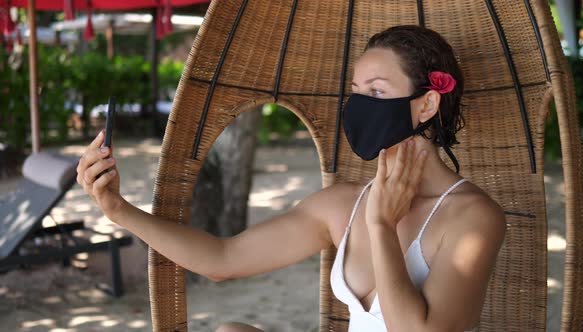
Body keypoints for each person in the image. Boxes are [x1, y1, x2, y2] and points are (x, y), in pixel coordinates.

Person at [76, 25, 506, 332]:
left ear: (427, 104)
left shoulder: (473, 217)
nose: (358, 106)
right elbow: (222, 260)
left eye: (376, 92)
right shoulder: (342, 204)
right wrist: (118, 210)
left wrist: (382, 225)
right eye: (356, 92)